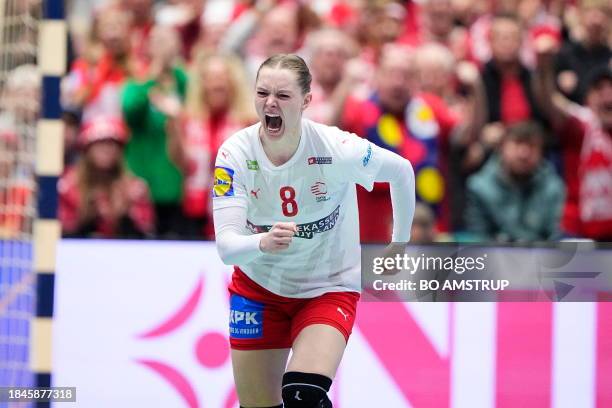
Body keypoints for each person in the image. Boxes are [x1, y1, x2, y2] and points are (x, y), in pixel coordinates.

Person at [213, 54, 415, 408]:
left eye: (283, 95)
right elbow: (227, 248)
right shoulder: (234, 154)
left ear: (307, 101)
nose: (270, 103)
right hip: (258, 289)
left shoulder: (337, 149)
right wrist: (263, 241)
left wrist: (399, 241)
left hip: (327, 286)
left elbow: (402, 172)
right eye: (262, 93)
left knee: (303, 395)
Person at [465, 121, 565, 241]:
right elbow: (478, 241)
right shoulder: (479, 188)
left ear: (541, 153)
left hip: (542, 257)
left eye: (532, 146)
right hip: (493, 257)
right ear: (501, 147)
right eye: (517, 143)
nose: (524, 153)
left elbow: (557, 238)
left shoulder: (554, 188)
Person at [58, 115, 155, 238]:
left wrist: (123, 215)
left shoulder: (135, 189)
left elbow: (147, 237)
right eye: (100, 143)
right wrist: (89, 215)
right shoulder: (67, 186)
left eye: (112, 144)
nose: (107, 150)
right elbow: (62, 235)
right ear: (86, 148)